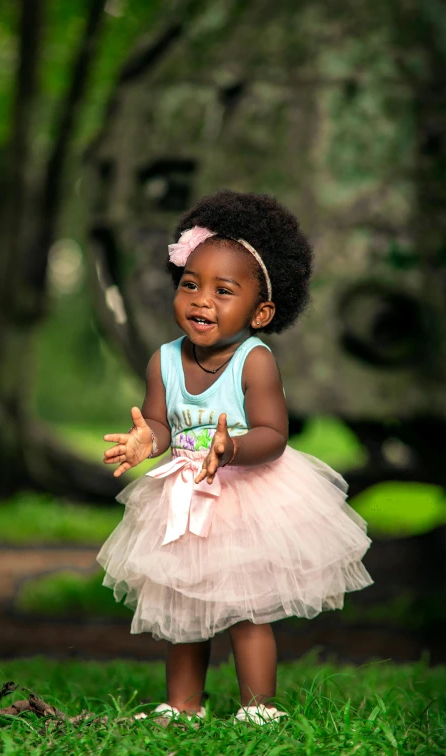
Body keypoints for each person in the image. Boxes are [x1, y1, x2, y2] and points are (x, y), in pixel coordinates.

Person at [97, 189, 374, 725]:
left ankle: (258, 706)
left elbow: (274, 433)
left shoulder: (255, 361)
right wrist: (146, 442)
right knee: (184, 608)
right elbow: (159, 421)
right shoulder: (163, 361)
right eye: (190, 285)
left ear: (261, 310)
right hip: (183, 496)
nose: (202, 300)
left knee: (247, 610)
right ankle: (182, 705)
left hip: (246, 495)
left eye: (224, 291)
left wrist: (232, 448)